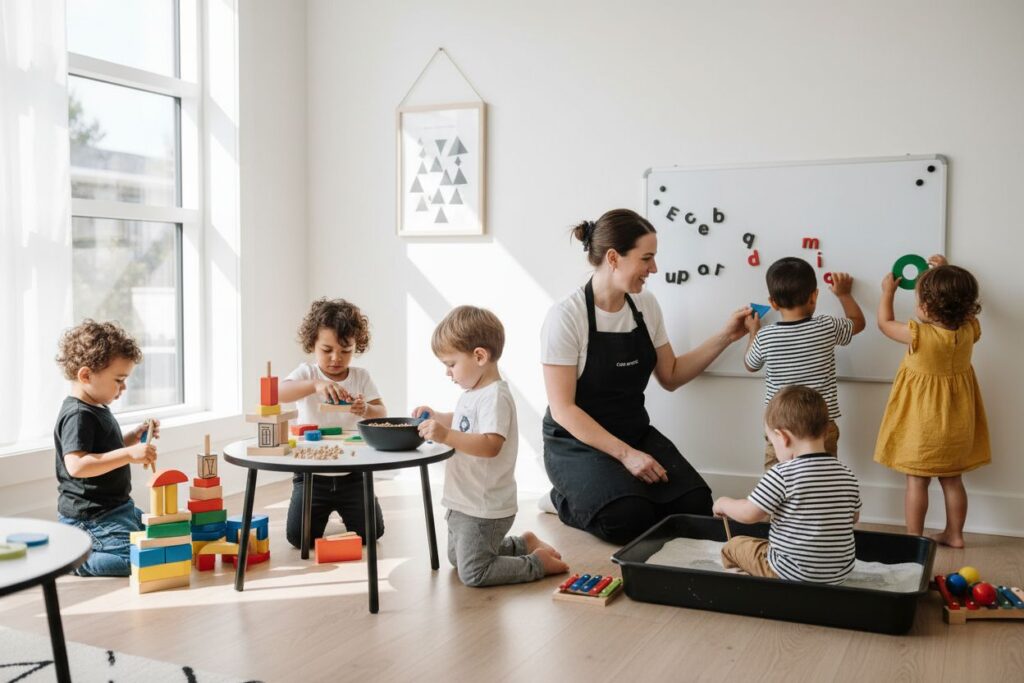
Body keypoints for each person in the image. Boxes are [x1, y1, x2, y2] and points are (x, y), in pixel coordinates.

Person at [541, 208, 750, 545]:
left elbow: (670, 374)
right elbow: (564, 409)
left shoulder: (645, 306)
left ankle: (616, 488)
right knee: (626, 520)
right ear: (613, 258)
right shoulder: (567, 317)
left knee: (696, 506)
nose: (653, 269)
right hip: (577, 442)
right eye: (646, 258)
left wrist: (727, 335)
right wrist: (626, 455)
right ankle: (562, 499)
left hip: (632, 431)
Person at [414, 306, 568, 586]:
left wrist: (445, 435)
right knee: (456, 558)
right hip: (463, 500)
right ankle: (523, 543)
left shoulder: (495, 396)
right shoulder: (473, 393)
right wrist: (438, 416)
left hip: (484, 505)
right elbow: (463, 422)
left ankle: (536, 563)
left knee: (473, 573)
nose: (448, 373)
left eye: (451, 364)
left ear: (480, 356)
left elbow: (489, 445)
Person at [875, 255, 990, 548]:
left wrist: (887, 292)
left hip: (924, 425)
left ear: (926, 307)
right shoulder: (969, 330)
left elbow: (885, 324)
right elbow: (955, 305)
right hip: (958, 422)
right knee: (952, 480)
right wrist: (940, 272)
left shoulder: (919, 335)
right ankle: (955, 534)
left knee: (917, 480)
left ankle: (914, 539)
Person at [713, 385, 862, 583]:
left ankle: (743, 583)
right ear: (826, 432)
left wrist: (723, 503)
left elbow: (749, 514)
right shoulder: (847, 474)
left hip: (788, 574)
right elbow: (853, 517)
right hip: (839, 574)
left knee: (734, 545)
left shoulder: (781, 474)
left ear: (782, 438)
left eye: (771, 441)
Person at [278, 298, 387, 548]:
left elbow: (382, 413)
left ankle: (360, 504)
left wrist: (365, 409)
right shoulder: (308, 373)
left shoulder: (360, 377)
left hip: (354, 473)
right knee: (299, 539)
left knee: (371, 534)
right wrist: (315, 385)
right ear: (312, 345)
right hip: (312, 475)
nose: (336, 358)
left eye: (345, 350)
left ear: (356, 347)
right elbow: (278, 393)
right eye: (327, 350)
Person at [54, 319, 159, 576]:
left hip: (118, 507)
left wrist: (133, 438)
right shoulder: (78, 414)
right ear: (86, 375)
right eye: (119, 380)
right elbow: (77, 466)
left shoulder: (97, 406)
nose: (123, 388)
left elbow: (103, 451)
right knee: (136, 560)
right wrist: (128, 454)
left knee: (160, 539)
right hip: (91, 517)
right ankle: (71, 559)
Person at [743, 257, 865, 468]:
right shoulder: (826, 326)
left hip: (780, 428)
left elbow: (750, 365)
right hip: (820, 426)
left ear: (773, 302)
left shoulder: (766, 336)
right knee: (822, 477)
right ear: (814, 295)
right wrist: (844, 294)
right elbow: (858, 323)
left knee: (777, 480)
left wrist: (753, 330)